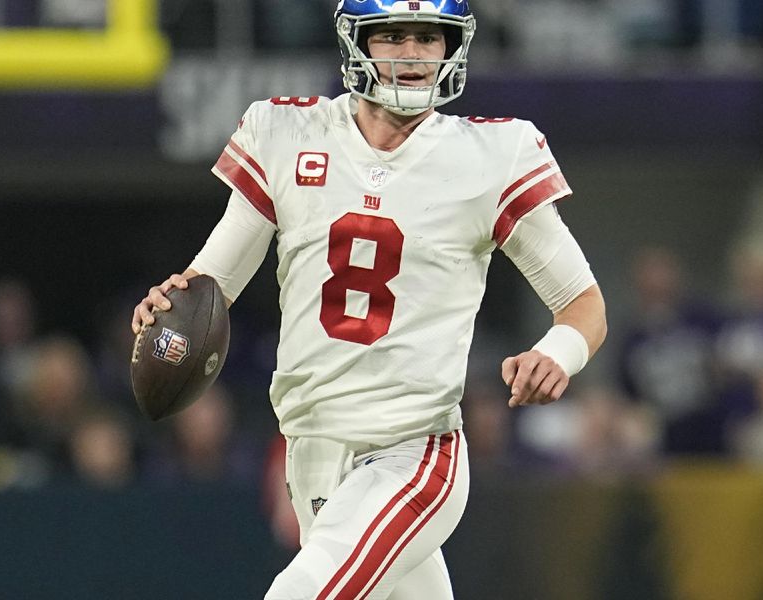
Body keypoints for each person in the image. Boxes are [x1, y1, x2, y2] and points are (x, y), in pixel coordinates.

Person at [131, 1, 606, 597]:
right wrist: (167, 311)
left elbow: (583, 305)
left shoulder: (491, 156)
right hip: (309, 451)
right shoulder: (287, 133)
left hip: (413, 452)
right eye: (393, 35)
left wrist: (556, 355)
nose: (411, 54)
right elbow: (208, 288)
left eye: (429, 38)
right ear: (355, 40)